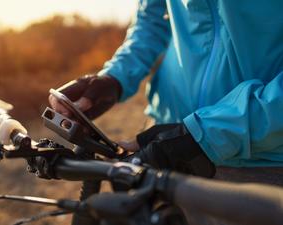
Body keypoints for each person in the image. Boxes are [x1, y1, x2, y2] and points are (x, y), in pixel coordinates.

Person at [49, 0, 283, 183]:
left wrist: (208, 134)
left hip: (266, 160)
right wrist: (115, 77)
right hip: (168, 139)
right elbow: (152, 20)